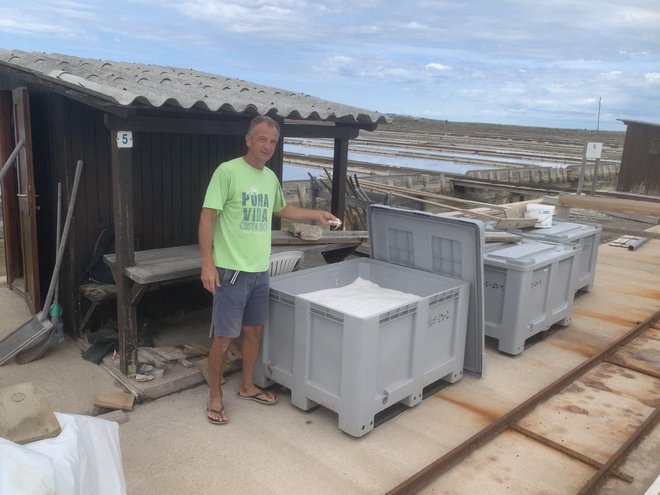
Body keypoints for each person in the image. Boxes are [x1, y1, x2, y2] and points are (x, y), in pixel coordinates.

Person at [199, 115, 339, 425]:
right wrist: (208, 264)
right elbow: (208, 217)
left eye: (272, 142)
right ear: (248, 140)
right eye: (262, 139)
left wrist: (315, 214)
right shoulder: (228, 172)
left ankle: (247, 386)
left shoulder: (270, 178)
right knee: (223, 337)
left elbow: (282, 209)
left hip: (260, 271)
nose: (267, 146)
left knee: (254, 331)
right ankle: (214, 395)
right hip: (231, 270)